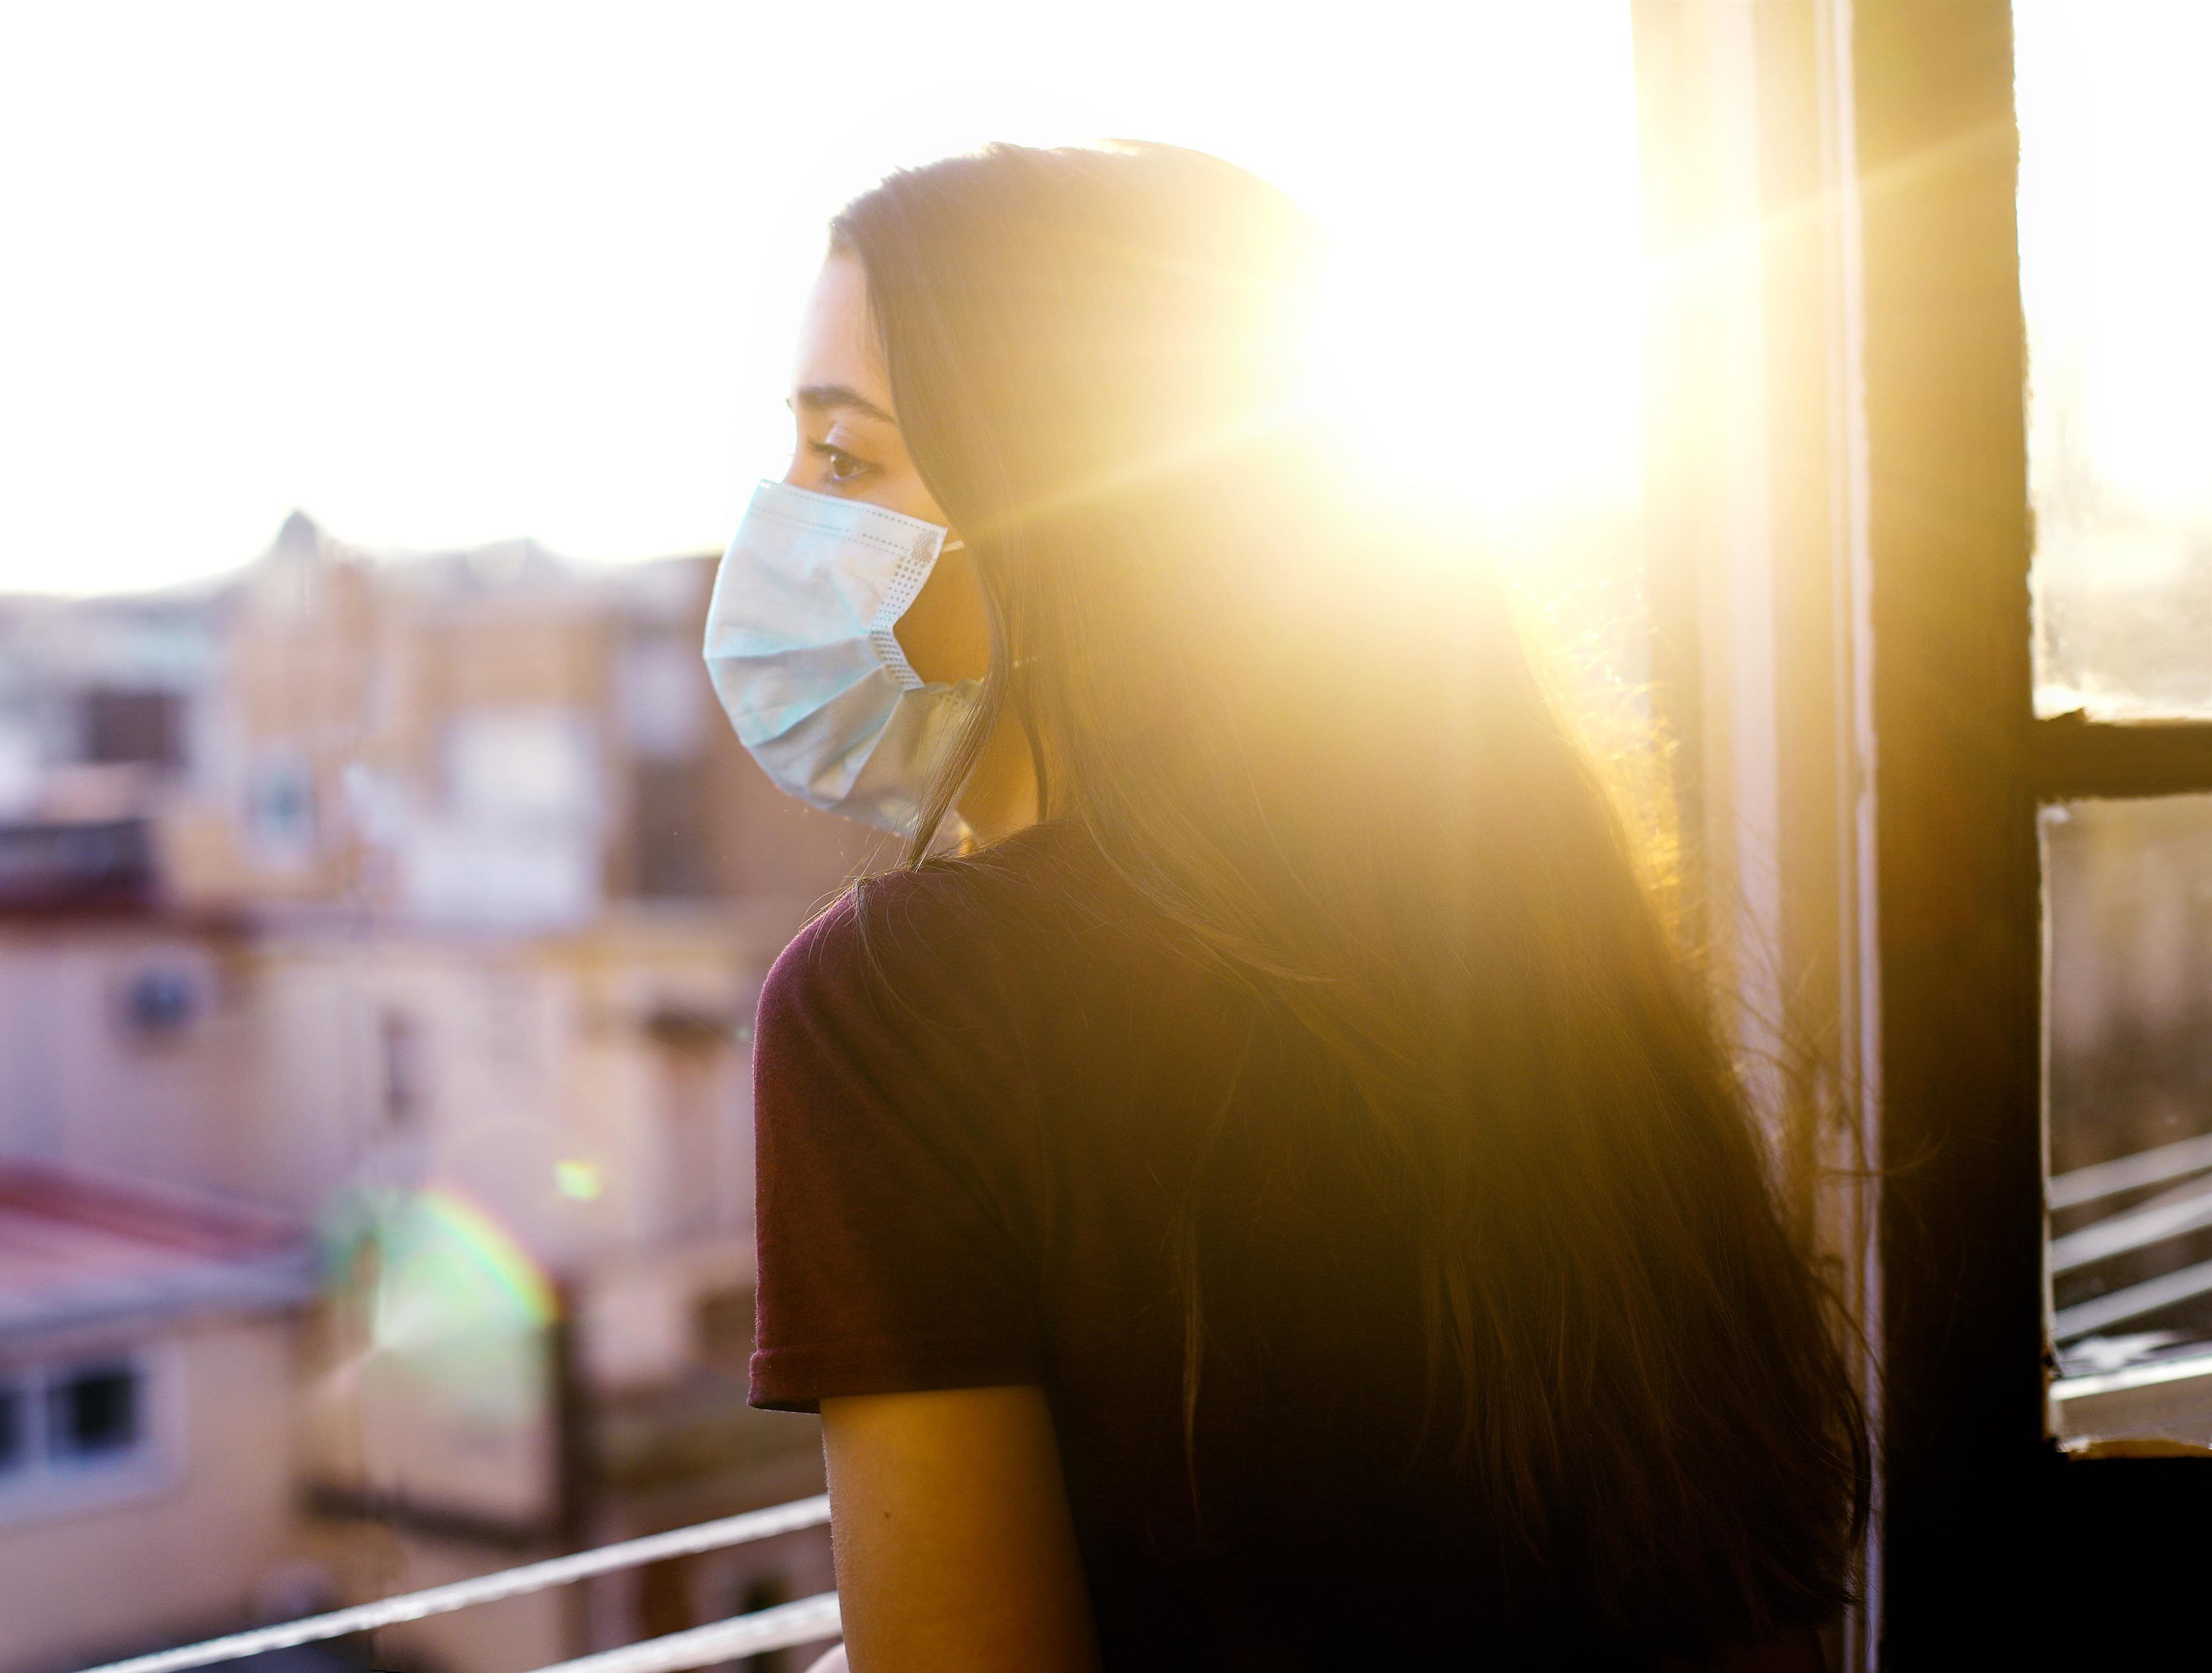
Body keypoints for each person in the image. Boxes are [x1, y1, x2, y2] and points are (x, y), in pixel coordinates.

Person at [703, 142, 1864, 1672]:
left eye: (844, 460)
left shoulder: (898, 1004)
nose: (776, 518)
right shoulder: (1522, 925)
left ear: (1073, 512)